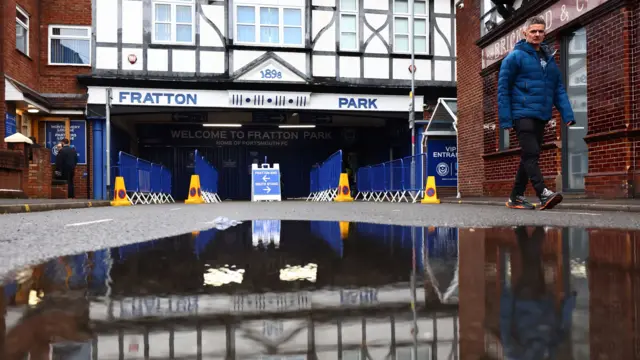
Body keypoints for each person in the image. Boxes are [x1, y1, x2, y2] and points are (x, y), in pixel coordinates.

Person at [498, 16, 576, 211]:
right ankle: (543, 193)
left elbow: (557, 88)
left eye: (541, 31)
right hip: (521, 113)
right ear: (525, 33)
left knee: (529, 155)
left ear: (544, 33)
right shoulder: (515, 57)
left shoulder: (548, 59)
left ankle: (516, 196)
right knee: (531, 153)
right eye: (533, 31)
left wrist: (567, 115)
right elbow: (503, 89)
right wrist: (506, 119)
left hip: (541, 114)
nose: (537, 34)